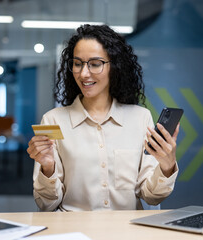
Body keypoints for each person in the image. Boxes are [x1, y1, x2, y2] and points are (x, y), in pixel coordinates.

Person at [27, 24, 180, 211]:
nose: (83, 73)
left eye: (95, 64)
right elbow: (46, 204)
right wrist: (48, 169)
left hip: (127, 232)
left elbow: (151, 197)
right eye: (77, 63)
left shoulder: (140, 118)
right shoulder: (53, 120)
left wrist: (167, 166)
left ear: (114, 67)